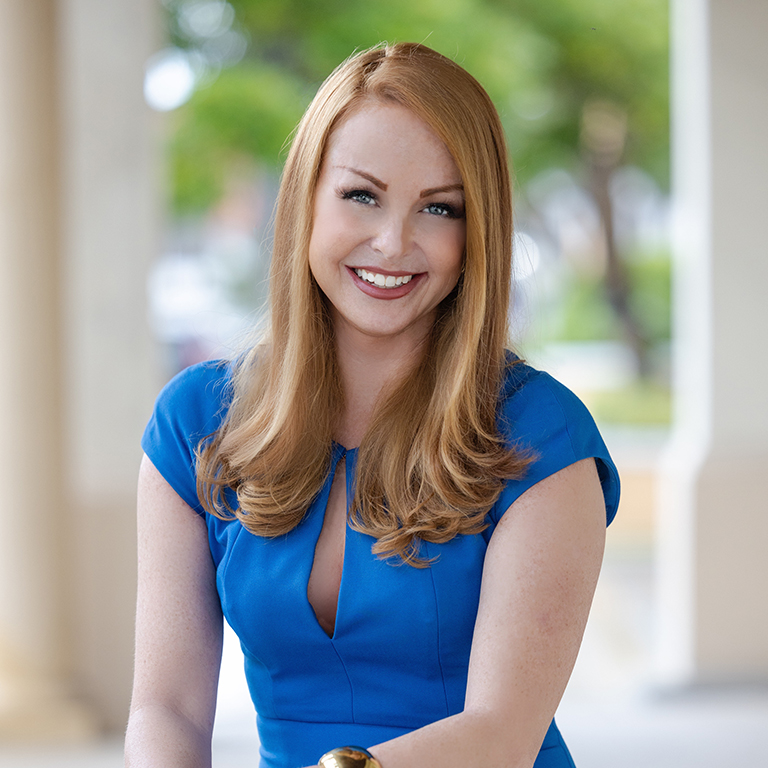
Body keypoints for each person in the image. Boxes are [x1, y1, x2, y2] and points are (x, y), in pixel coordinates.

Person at [125, 42, 619, 768]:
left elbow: (503, 733)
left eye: (439, 208)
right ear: (304, 198)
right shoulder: (194, 424)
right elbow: (164, 707)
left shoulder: (543, 435)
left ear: (475, 233)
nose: (394, 242)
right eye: (362, 195)